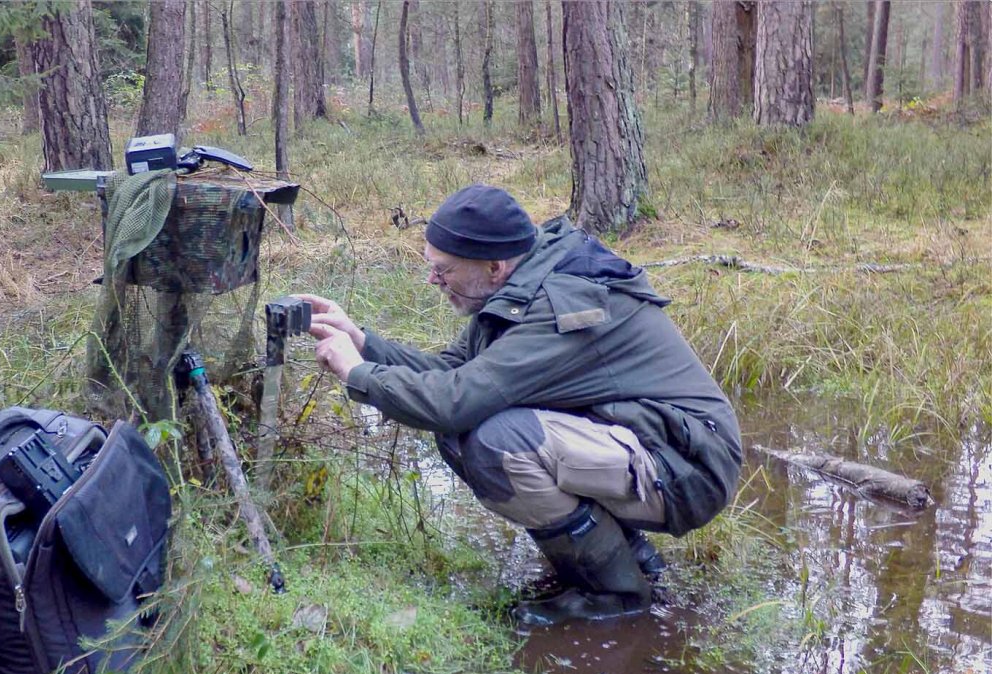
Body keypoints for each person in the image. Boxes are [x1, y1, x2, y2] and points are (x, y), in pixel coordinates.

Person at [300, 184, 742, 627]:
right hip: (649, 438)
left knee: (498, 442)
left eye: (444, 270)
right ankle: (629, 555)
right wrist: (363, 342)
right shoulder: (521, 281)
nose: (432, 280)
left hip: (690, 466)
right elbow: (454, 371)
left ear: (494, 266)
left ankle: (615, 593)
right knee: (466, 434)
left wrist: (356, 372)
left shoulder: (556, 308)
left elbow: (452, 402)